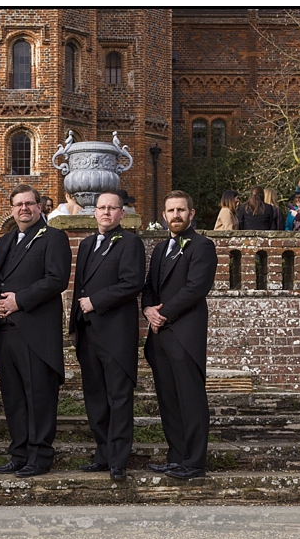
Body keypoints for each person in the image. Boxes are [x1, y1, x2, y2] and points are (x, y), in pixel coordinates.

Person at [0, 184, 71, 478]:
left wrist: (18, 301)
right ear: (11, 209)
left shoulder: (54, 238)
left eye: (29, 203)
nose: (24, 208)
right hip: (6, 331)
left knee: (39, 396)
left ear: (40, 206)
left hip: (35, 331)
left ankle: (40, 455)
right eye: (18, 204)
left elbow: (56, 279)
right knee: (14, 397)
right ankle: (19, 453)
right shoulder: (5, 241)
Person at [69, 192, 145, 481]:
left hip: (116, 334)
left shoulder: (131, 243)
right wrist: (74, 325)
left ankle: (118, 459)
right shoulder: (87, 244)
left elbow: (132, 283)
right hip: (88, 333)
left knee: (119, 398)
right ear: (95, 212)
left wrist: (96, 301)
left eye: (112, 208)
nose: (106, 213)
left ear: (121, 213)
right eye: (101, 208)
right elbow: (78, 288)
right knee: (95, 398)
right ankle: (102, 453)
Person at [142, 190, 217, 480]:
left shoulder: (203, 246)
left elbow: (196, 288)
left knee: (191, 399)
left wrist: (162, 313)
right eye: (171, 210)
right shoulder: (161, 249)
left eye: (181, 210)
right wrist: (148, 308)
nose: (175, 215)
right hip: (159, 336)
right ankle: (176, 457)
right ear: (164, 215)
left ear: (191, 214)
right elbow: (149, 285)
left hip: (185, 333)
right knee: (169, 400)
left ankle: (195, 462)